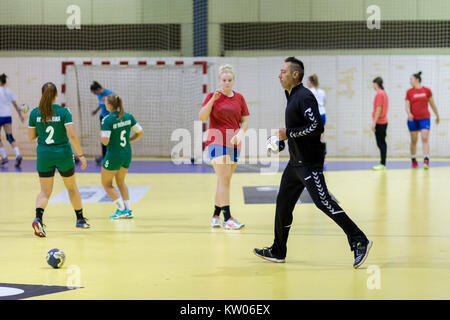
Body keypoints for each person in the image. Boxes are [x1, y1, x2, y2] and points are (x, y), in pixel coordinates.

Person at [253, 57, 372, 269]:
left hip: (309, 164)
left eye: (283, 71)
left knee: (323, 201)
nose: (279, 75)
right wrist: (282, 139)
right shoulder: (290, 96)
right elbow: (298, 128)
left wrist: (287, 133)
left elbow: (317, 126)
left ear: (295, 74)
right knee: (283, 204)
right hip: (295, 164)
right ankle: (278, 250)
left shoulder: (304, 97)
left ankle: (359, 239)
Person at [28, 82, 89, 238]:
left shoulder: (35, 113)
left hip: (44, 155)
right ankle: (80, 219)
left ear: (42, 94)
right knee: (71, 188)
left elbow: (30, 137)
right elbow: (72, 135)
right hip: (63, 154)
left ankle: (38, 219)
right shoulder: (64, 112)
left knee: (45, 192)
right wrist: (81, 155)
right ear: (56, 95)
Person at [199, 64, 249, 230]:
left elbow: (245, 121)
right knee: (225, 178)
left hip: (234, 142)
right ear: (219, 81)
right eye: (224, 80)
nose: (227, 83)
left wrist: (240, 134)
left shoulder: (239, 98)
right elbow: (202, 117)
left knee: (224, 180)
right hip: (216, 140)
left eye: (229, 80)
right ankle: (227, 218)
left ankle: (215, 215)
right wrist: (212, 100)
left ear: (233, 81)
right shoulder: (212, 96)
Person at [100, 94, 144, 219]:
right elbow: (140, 132)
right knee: (121, 182)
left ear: (109, 105)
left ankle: (121, 209)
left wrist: (101, 133)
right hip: (126, 154)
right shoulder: (128, 117)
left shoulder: (107, 120)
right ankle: (128, 210)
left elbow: (105, 141)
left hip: (114, 155)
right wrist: (130, 139)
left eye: (106, 103)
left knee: (107, 184)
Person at [405, 71, 440, 169]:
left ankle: (426, 160)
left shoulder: (426, 91)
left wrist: (437, 115)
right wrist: (409, 113)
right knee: (414, 140)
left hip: (425, 118)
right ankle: (413, 159)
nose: (410, 81)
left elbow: (432, 104)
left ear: (417, 80)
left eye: (411, 79)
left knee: (424, 138)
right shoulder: (409, 92)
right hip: (413, 120)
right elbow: (407, 106)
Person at [0, 73, 24, 166]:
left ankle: (4, 157)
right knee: (10, 137)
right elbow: (15, 104)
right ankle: (18, 155)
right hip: (7, 116)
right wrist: (20, 115)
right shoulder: (9, 91)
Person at [91, 81, 114, 164]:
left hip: (110, 118)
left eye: (95, 92)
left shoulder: (109, 93)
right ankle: (105, 157)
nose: (95, 95)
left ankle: (112, 156)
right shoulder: (99, 95)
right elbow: (101, 104)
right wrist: (96, 111)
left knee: (111, 138)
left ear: (98, 89)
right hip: (102, 118)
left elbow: (116, 98)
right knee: (103, 138)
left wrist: (108, 98)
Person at [306, 74, 327, 157]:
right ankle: (323, 155)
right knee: (321, 135)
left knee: (312, 135)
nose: (307, 83)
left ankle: (313, 155)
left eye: (308, 81)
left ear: (311, 82)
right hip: (323, 114)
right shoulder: (322, 91)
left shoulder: (309, 91)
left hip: (315, 114)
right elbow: (324, 102)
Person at [371, 77, 389, 170]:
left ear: (375, 84)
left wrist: (374, 122)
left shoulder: (379, 94)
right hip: (383, 121)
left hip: (380, 122)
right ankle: (383, 163)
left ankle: (382, 163)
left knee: (381, 143)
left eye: (373, 84)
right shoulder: (384, 93)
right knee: (382, 143)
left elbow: (379, 108)